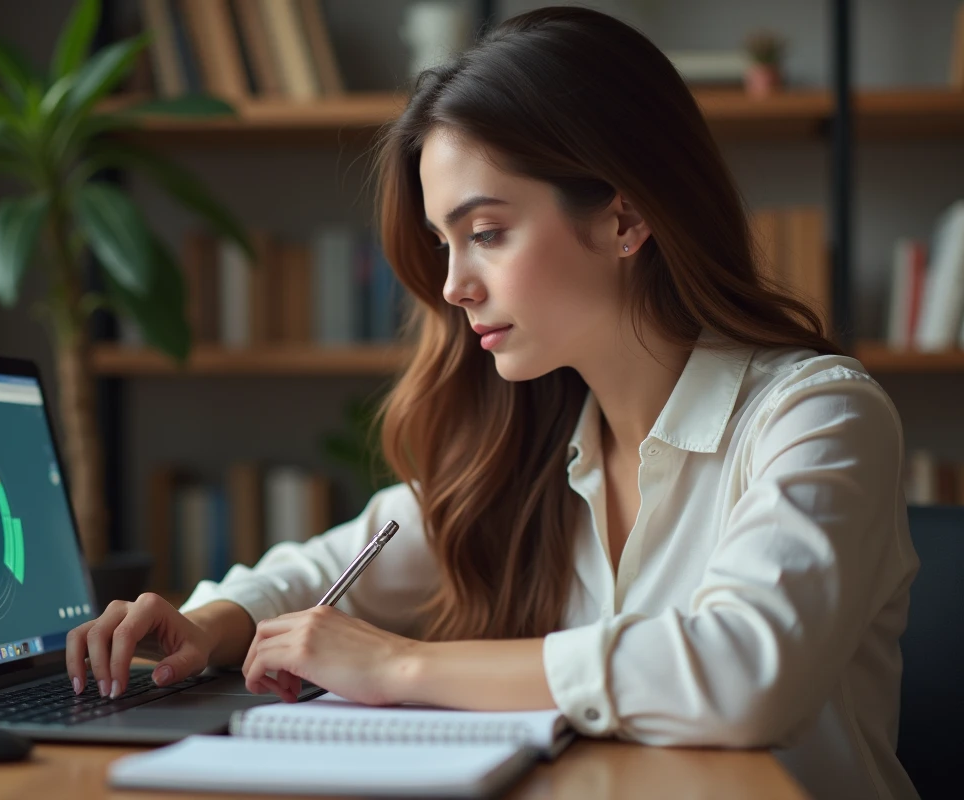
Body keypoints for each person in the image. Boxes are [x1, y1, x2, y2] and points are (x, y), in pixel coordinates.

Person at [65, 7, 917, 799]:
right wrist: (213, 622)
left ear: (625, 218)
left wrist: (401, 668)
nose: (452, 285)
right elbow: (336, 566)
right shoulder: (529, 450)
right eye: (444, 243)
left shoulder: (817, 419)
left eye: (487, 233)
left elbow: (743, 676)